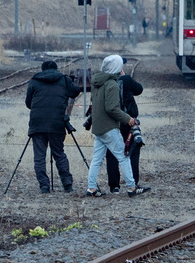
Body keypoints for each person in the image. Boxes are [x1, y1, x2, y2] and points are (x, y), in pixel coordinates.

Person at [86, 55, 148, 197]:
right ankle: (132, 187)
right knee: (123, 156)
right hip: (109, 127)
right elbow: (112, 108)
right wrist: (129, 119)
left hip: (98, 126)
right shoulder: (112, 85)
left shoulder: (96, 82)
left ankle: (91, 188)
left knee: (97, 159)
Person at [25, 60, 81, 193]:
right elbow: (75, 92)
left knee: (39, 156)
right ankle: (67, 184)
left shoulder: (34, 81)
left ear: (42, 69)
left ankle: (44, 186)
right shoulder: (64, 80)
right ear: (56, 69)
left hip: (37, 123)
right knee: (59, 153)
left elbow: (28, 103)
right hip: (57, 122)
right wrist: (71, 82)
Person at [104, 66, 144, 192]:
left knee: (111, 153)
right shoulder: (126, 79)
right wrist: (125, 76)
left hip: (111, 121)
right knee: (133, 150)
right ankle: (133, 182)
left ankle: (114, 186)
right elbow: (139, 90)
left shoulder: (105, 80)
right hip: (128, 121)